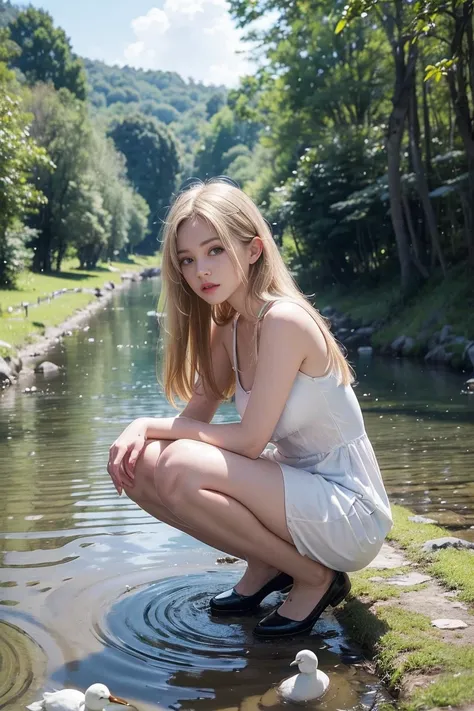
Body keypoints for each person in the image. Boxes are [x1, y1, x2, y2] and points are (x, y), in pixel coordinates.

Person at [107, 178, 393, 638]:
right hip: (298, 491)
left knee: (180, 464)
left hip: (349, 511)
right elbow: (197, 411)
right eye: (187, 259)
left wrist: (144, 422)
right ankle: (267, 563)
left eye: (215, 250)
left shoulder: (284, 320)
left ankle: (314, 577)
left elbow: (249, 440)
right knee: (141, 465)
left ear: (255, 249)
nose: (201, 269)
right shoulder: (230, 325)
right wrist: (143, 441)